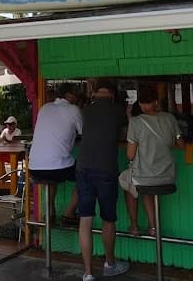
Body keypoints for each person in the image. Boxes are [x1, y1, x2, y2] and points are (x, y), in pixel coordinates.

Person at [76, 80, 130, 280]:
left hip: (83, 169)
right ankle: (109, 264)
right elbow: (128, 129)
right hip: (106, 170)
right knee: (108, 219)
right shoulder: (117, 111)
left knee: (85, 220)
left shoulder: (85, 110)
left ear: (95, 92)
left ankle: (88, 272)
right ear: (113, 94)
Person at [124, 84, 184, 236]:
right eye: (143, 102)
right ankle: (153, 227)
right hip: (168, 176)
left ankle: (134, 226)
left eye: (146, 102)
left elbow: (130, 155)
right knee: (146, 189)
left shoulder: (135, 122)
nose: (144, 105)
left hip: (145, 176)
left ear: (155, 102)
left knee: (129, 186)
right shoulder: (170, 118)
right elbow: (180, 144)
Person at [29, 83, 83, 225]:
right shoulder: (73, 109)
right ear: (68, 95)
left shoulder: (45, 108)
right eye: (75, 94)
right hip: (57, 168)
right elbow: (85, 132)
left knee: (52, 173)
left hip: (34, 168)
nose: (77, 98)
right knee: (86, 175)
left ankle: (50, 213)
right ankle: (69, 213)